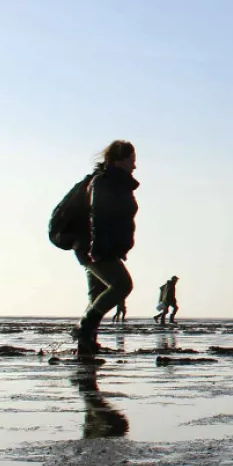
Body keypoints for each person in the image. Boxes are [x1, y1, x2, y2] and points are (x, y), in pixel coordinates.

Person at [69, 141, 139, 358]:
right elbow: (97, 216)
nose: (134, 166)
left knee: (97, 294)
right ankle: (84, 327)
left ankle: (86, 345)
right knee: (122, 285)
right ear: (118, 160)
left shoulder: (116, 183)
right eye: (131, 161)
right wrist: (97, 249)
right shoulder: (103, 182)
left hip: (100, 247)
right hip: (95, 247)